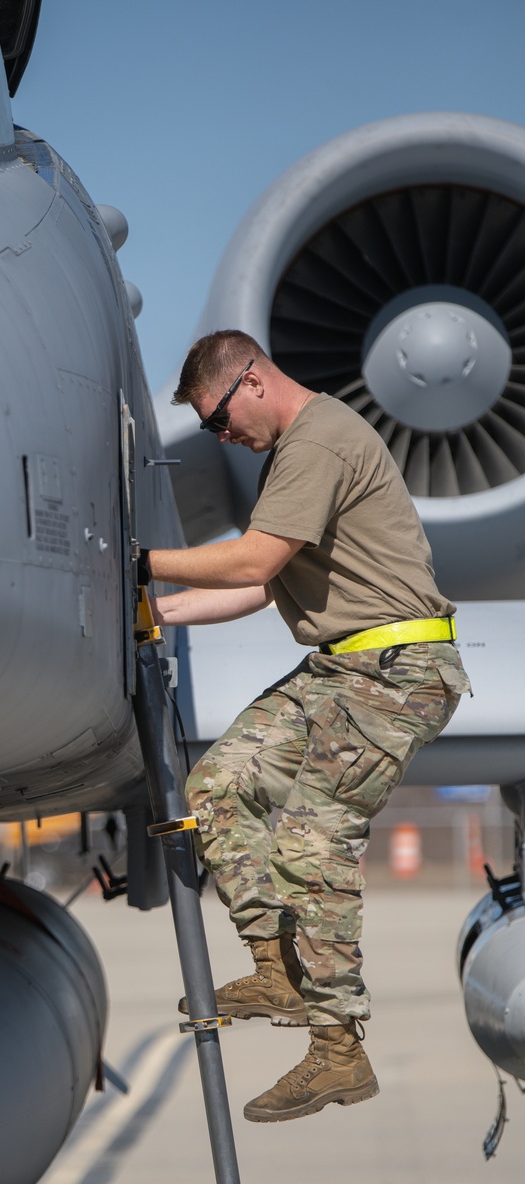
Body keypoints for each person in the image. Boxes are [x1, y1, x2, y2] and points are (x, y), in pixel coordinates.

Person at [141, 329, 470, 1124]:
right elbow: (260, 588)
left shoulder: (319, 438)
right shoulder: (294, 454)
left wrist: (140, 562)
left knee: (312, 843)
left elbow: (252, 564)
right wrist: (154, 612)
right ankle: (277, 968)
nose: (223, 438)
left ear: (250, 380)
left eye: (219, 419)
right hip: (341, 669)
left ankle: (337, 1052)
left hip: (397, 672)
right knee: (216, 787)